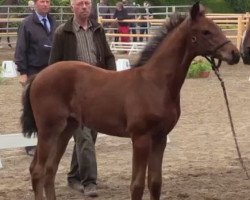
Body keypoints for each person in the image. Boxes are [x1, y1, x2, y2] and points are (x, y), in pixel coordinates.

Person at [49, 0, 116, 197]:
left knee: (90, 135)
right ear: (72, 7)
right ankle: (90, 182)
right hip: (74, 94)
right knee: (84, 136)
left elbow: (108, 56)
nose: (84, 7)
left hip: (98, 91)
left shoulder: (98, 29)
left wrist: (112, 78)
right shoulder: (63, 32)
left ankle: (73, 176)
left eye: (87, 3)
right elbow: (54, 65)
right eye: (80, 3)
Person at [14, 0, 56, 156]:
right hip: (34, 71)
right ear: (36, 4)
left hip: (51, 71)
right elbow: (21, 48)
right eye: (42, 1)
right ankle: (31, 144)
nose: (45, 4)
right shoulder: (27, 24)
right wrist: (22, 72)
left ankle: (48, 142)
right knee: (32, 109)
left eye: (47, 2)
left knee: (51, 108)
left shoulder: (53, 21)